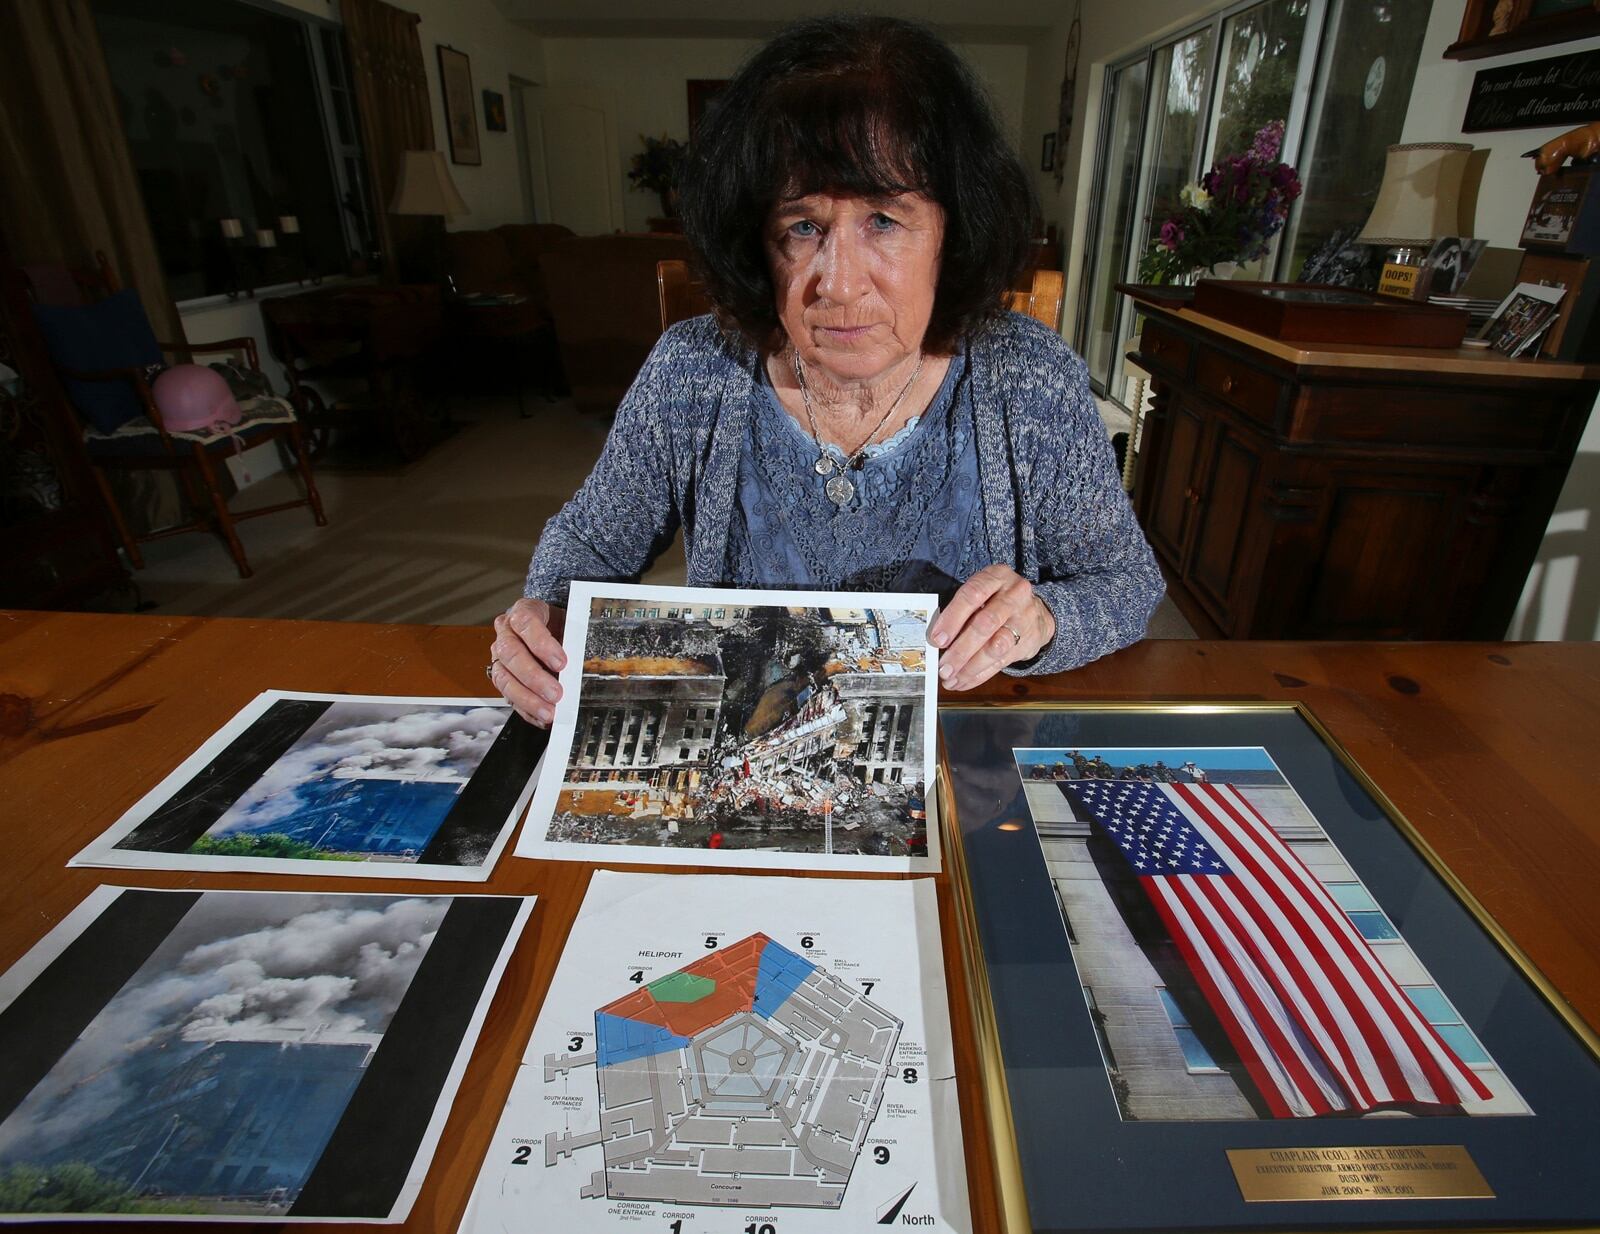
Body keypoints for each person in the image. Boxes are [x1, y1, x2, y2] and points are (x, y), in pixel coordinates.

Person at [490, 15, 1162, 727]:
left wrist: (1043, 620)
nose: (838, 284)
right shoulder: (694, 371)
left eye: (884, 221)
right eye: (803, 227)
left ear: (953, 232)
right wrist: (544, 616)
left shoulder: (1028, 375)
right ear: (758, 241)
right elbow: (590, 543)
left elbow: (1125, 583)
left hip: (959, 753)